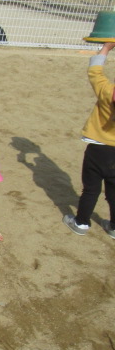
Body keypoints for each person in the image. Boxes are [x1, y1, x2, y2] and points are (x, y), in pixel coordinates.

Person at [63, 42, 115, 238]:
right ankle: (114, 227)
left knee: (91, 189)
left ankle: (81, 223)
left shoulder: (107, 91)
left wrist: (106, 48)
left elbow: (95, 71)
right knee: (114, 191)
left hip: (99, 149)